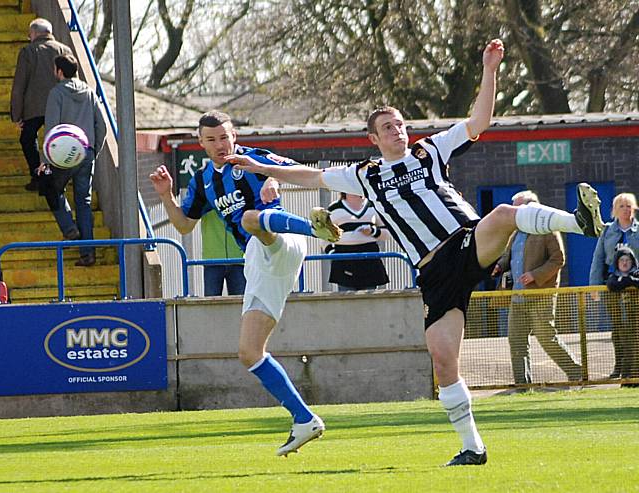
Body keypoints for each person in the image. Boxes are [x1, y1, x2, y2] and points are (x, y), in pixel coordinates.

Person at [226, 39, 606, 466]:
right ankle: (472, 448)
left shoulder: (431, 150)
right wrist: (260, 167)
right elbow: (310, 176)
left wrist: (489, 69)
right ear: (373, 137)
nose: (397, 130)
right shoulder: (364, 175)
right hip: (432, 274)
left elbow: (479, 120)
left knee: (503, 213)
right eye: (387, 127)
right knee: (443, 360)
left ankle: (581, 223)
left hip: (463, 243)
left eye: (400, 124)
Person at [149, 110, 342, 456]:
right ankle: (303, 420)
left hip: (280, 236)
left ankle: (314, 228)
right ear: (202, 143)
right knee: (249, 352)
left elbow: (293, 171)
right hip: (260, 260)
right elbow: (182, 226)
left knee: (251, 219)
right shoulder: (204, 180)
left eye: (224, 137)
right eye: (211, 140)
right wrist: (165, 195)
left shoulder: (253, 157)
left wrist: (273, 180)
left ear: (234, 135)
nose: (220, 145)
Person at [493, 191, 581, 384]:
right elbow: (508, 256)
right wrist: (499, 265)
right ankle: (522, 385)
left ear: (532, 209)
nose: (513, 212)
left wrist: (535, 275)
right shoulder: (515, 232)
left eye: (517, 208)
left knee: (546, 338)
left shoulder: (547, 229)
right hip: (517, 296)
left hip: (540, 294)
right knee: (516, 341)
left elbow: (558, 259)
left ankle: (576, 373)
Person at [37, 54, 107, 267]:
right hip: (85, 153)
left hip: (62, 154)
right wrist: (92, 152)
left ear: (59, 71)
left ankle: (69, 228)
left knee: (51, 189)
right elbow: (101, 126)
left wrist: (44, 160)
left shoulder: (56, 93)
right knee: (83, 202)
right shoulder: (89, 92)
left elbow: (51, 128)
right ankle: (88, 254)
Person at [10, 18, 72, 192]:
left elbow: (19, 86)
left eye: (30, 34)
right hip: (61, 108)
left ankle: (38, 175)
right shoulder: (64, 50)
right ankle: (58, 178)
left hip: (33, 108)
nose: (29, 37)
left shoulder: (28, 52)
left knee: (28, 139)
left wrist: (17, 115)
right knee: (58, 141)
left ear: (35, 33)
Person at [589, 193, 639, 378]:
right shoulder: (608, 231)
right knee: (617, 328)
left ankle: (633, 368)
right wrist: (594, 286)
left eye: (629, 206)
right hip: (613, 284)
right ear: (615, 210)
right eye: (622, 206)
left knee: (634, 327)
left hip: (635, 285)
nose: (626, 210)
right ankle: (619, 366)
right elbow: (599, 258)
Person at [200, 179, 278, 296]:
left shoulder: (240, 196)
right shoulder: (206, 195)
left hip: (239, 258)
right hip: (212, 259)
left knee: (241, 302)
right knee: (210, 306)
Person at [324, 193, 390, 291]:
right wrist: (332, 253)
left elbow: (388, 232)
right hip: (343, 259)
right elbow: (323, 235)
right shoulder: (334, 208)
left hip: (369, 259)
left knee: (370, 301)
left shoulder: (373, 205)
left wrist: (373, 231)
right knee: (347, 300)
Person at [605, 246, 639, 384]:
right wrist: (625, 282)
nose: (625, 263)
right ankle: (622, 374)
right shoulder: (614, 277)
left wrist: (629, 280)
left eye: (627, 260)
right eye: (621, 260)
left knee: (634, 349)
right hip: (620, 321)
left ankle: (633, 378)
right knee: (620, 345)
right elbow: (612, 285)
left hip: (635, 321)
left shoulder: (636, 273)